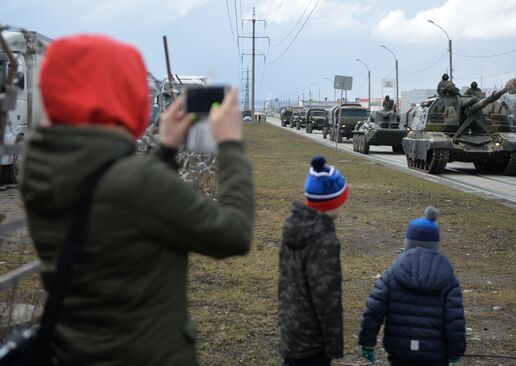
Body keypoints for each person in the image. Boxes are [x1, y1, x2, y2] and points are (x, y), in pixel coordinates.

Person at [20, 35, 254, 366]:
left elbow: (113, 210)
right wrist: (230, 144)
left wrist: (166, 149)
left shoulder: (41, 165)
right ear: (123, 95)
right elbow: (234, 233)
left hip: (76, 350)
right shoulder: (136, 183)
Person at [358, 207, 466, 366]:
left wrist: (367, 342)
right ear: (436, 244)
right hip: (436, 354)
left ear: (407, 242)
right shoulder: (448, 279)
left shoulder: (392, 274)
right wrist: (456, 352)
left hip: (400, 351)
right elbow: (455, 320)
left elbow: (373, 311)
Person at [278, 156, 349, 366]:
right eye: (342, 200)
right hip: (313, 342)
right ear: (333, 202)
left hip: (292, 330)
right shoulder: (324, 241)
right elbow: (327, 297)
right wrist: (335, 345)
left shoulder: (295, 228)